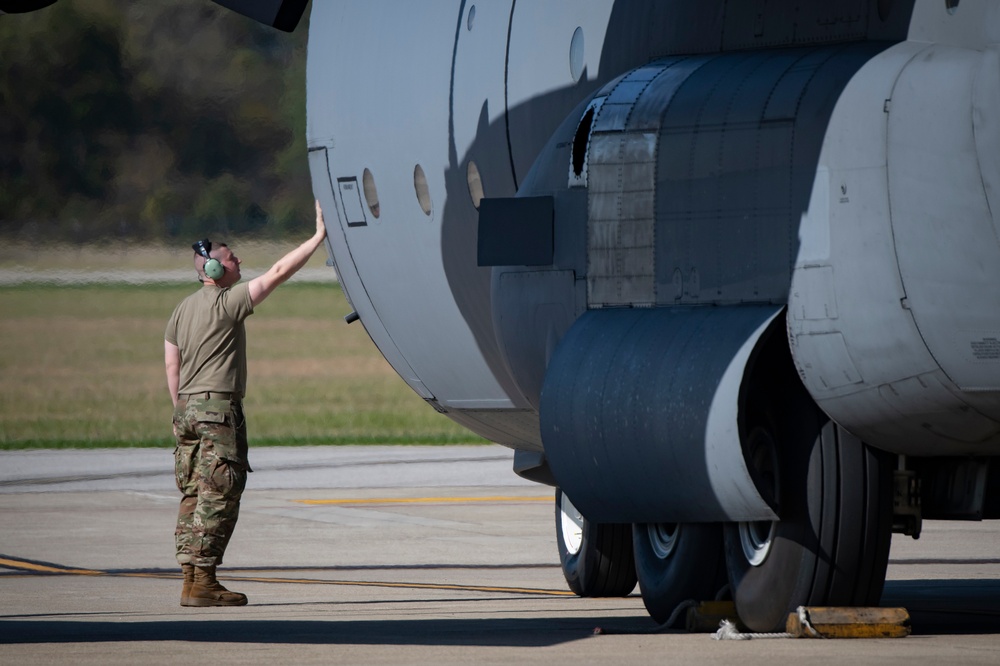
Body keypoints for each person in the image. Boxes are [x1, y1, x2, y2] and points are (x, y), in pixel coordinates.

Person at [164, 200, 327, 607]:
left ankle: (190, 578)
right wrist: (318, 237)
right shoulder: (228, 301)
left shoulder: (181, 309)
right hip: (218, 411)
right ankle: (204, 582)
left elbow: (172, 363)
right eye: (232, 258)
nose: (239, 261)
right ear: (216, 270)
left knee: (192, 494)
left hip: (185, 409)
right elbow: (278, 272)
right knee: (219, 492)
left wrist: (181, 410)